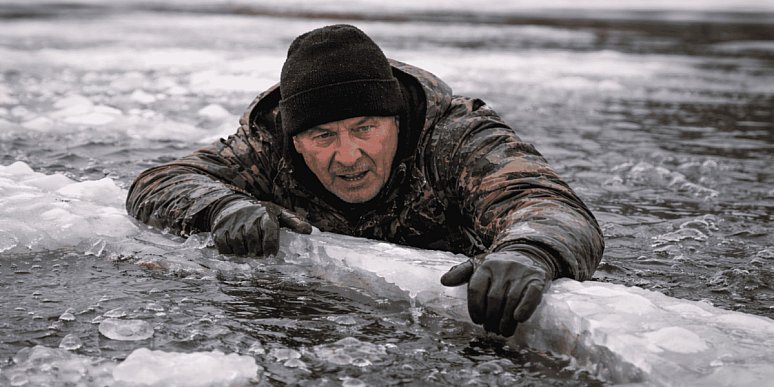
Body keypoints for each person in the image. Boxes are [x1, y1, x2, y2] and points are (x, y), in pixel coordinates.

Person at [127, 24, 603, 337]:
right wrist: (223, 207)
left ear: (395, 120)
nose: (348, 155)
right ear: (296, 140)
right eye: (323, 135)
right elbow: (160, 181)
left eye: (365, 128)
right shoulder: (268, 145)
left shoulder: (455, 137)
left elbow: (547, 204)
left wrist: (529, 251)